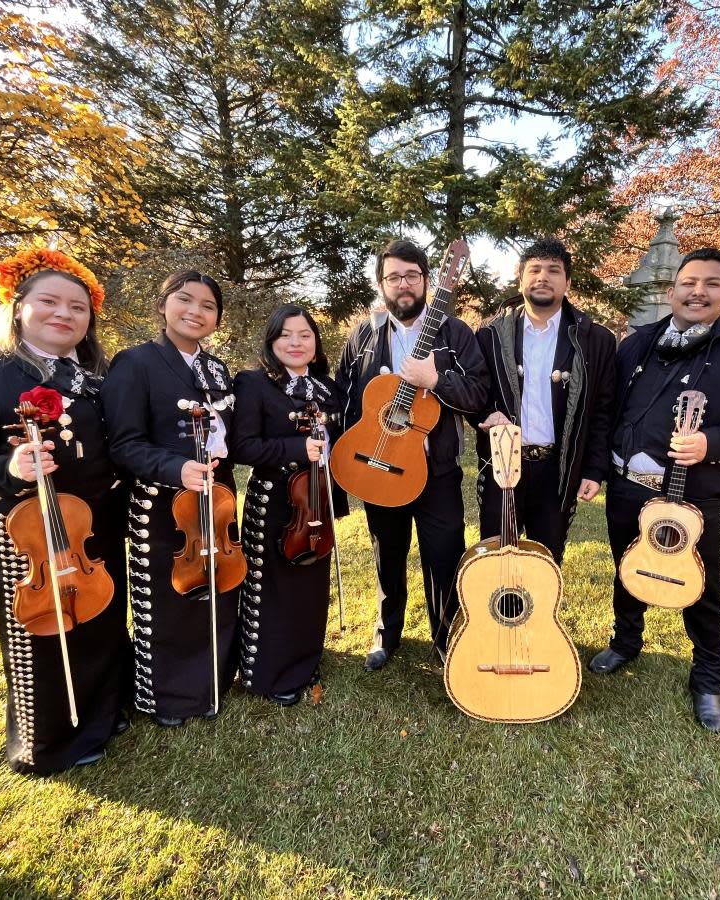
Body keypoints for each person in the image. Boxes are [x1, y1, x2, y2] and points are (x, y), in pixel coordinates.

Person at [0, 247, 130, 774]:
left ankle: (106, 715)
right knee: (44, 628)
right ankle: (50, 741)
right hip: (31, 529)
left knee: (102, 618)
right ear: (17, 306)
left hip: (97, 522)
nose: (64, 315)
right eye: (50, 302)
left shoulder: (96, 375)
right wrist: (10, 467)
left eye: (78, 308)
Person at [590, 247, 720, 732]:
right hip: (629, 488)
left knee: (704, 588)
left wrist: (712, 442)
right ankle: (626, 642)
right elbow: (608, 409)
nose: (698, 291)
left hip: (698, 496)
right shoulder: (636, 344)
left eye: (712, 283)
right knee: (628, 568)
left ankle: (706, 678)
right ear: (671, 291)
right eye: (689, 283)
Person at [335, 239, 489, 670]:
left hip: (435, 471)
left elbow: (478, 394)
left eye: (411, 276)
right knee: (388, 553)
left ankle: (445, 638)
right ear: (382, 283)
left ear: (428, 279)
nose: (403, 285)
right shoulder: (365, 334)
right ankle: (387, 632)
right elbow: (347, 399)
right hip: (378, 464)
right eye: (393, 277)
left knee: (443, 555)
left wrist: (436, 380)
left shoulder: (455, 333)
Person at [102, 271, 239, 726]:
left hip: (216, 500)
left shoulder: (217, 370)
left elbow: (228, 437)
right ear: (163, 306)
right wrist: (174, 468)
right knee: (166, 599)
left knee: (213, 589)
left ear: (217, 318)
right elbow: (123, 443)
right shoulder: (135, 363)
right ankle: (166, 698)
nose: (196, 312)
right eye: (185, 300)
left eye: (207, 306)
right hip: (162, 503)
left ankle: (210, 683)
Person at [230, 304, 347, 706]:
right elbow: (242, 446)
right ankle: (267, 671)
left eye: (305, 336)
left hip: (317, 502)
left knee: (311, 585)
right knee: (275, 587)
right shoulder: (253, 383)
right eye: (286, 335)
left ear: (315, 345)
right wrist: (297, 447)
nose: (295, 343)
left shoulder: (327, 388)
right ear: (271, 341)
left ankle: (305, 660)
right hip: (277, 502)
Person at [472, 237, 616, 564]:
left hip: (558, 472)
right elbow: (475, 392)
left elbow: (603, 410)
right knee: (494, 561)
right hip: (502, 465)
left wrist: (594, 470)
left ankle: (539, 617)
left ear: (568, 282)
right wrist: (487, 413)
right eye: (534, 269)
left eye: (554, 270)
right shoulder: (490, 334)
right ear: (520, 278)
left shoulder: (597, 341)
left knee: (546, 563)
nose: (543, 277)